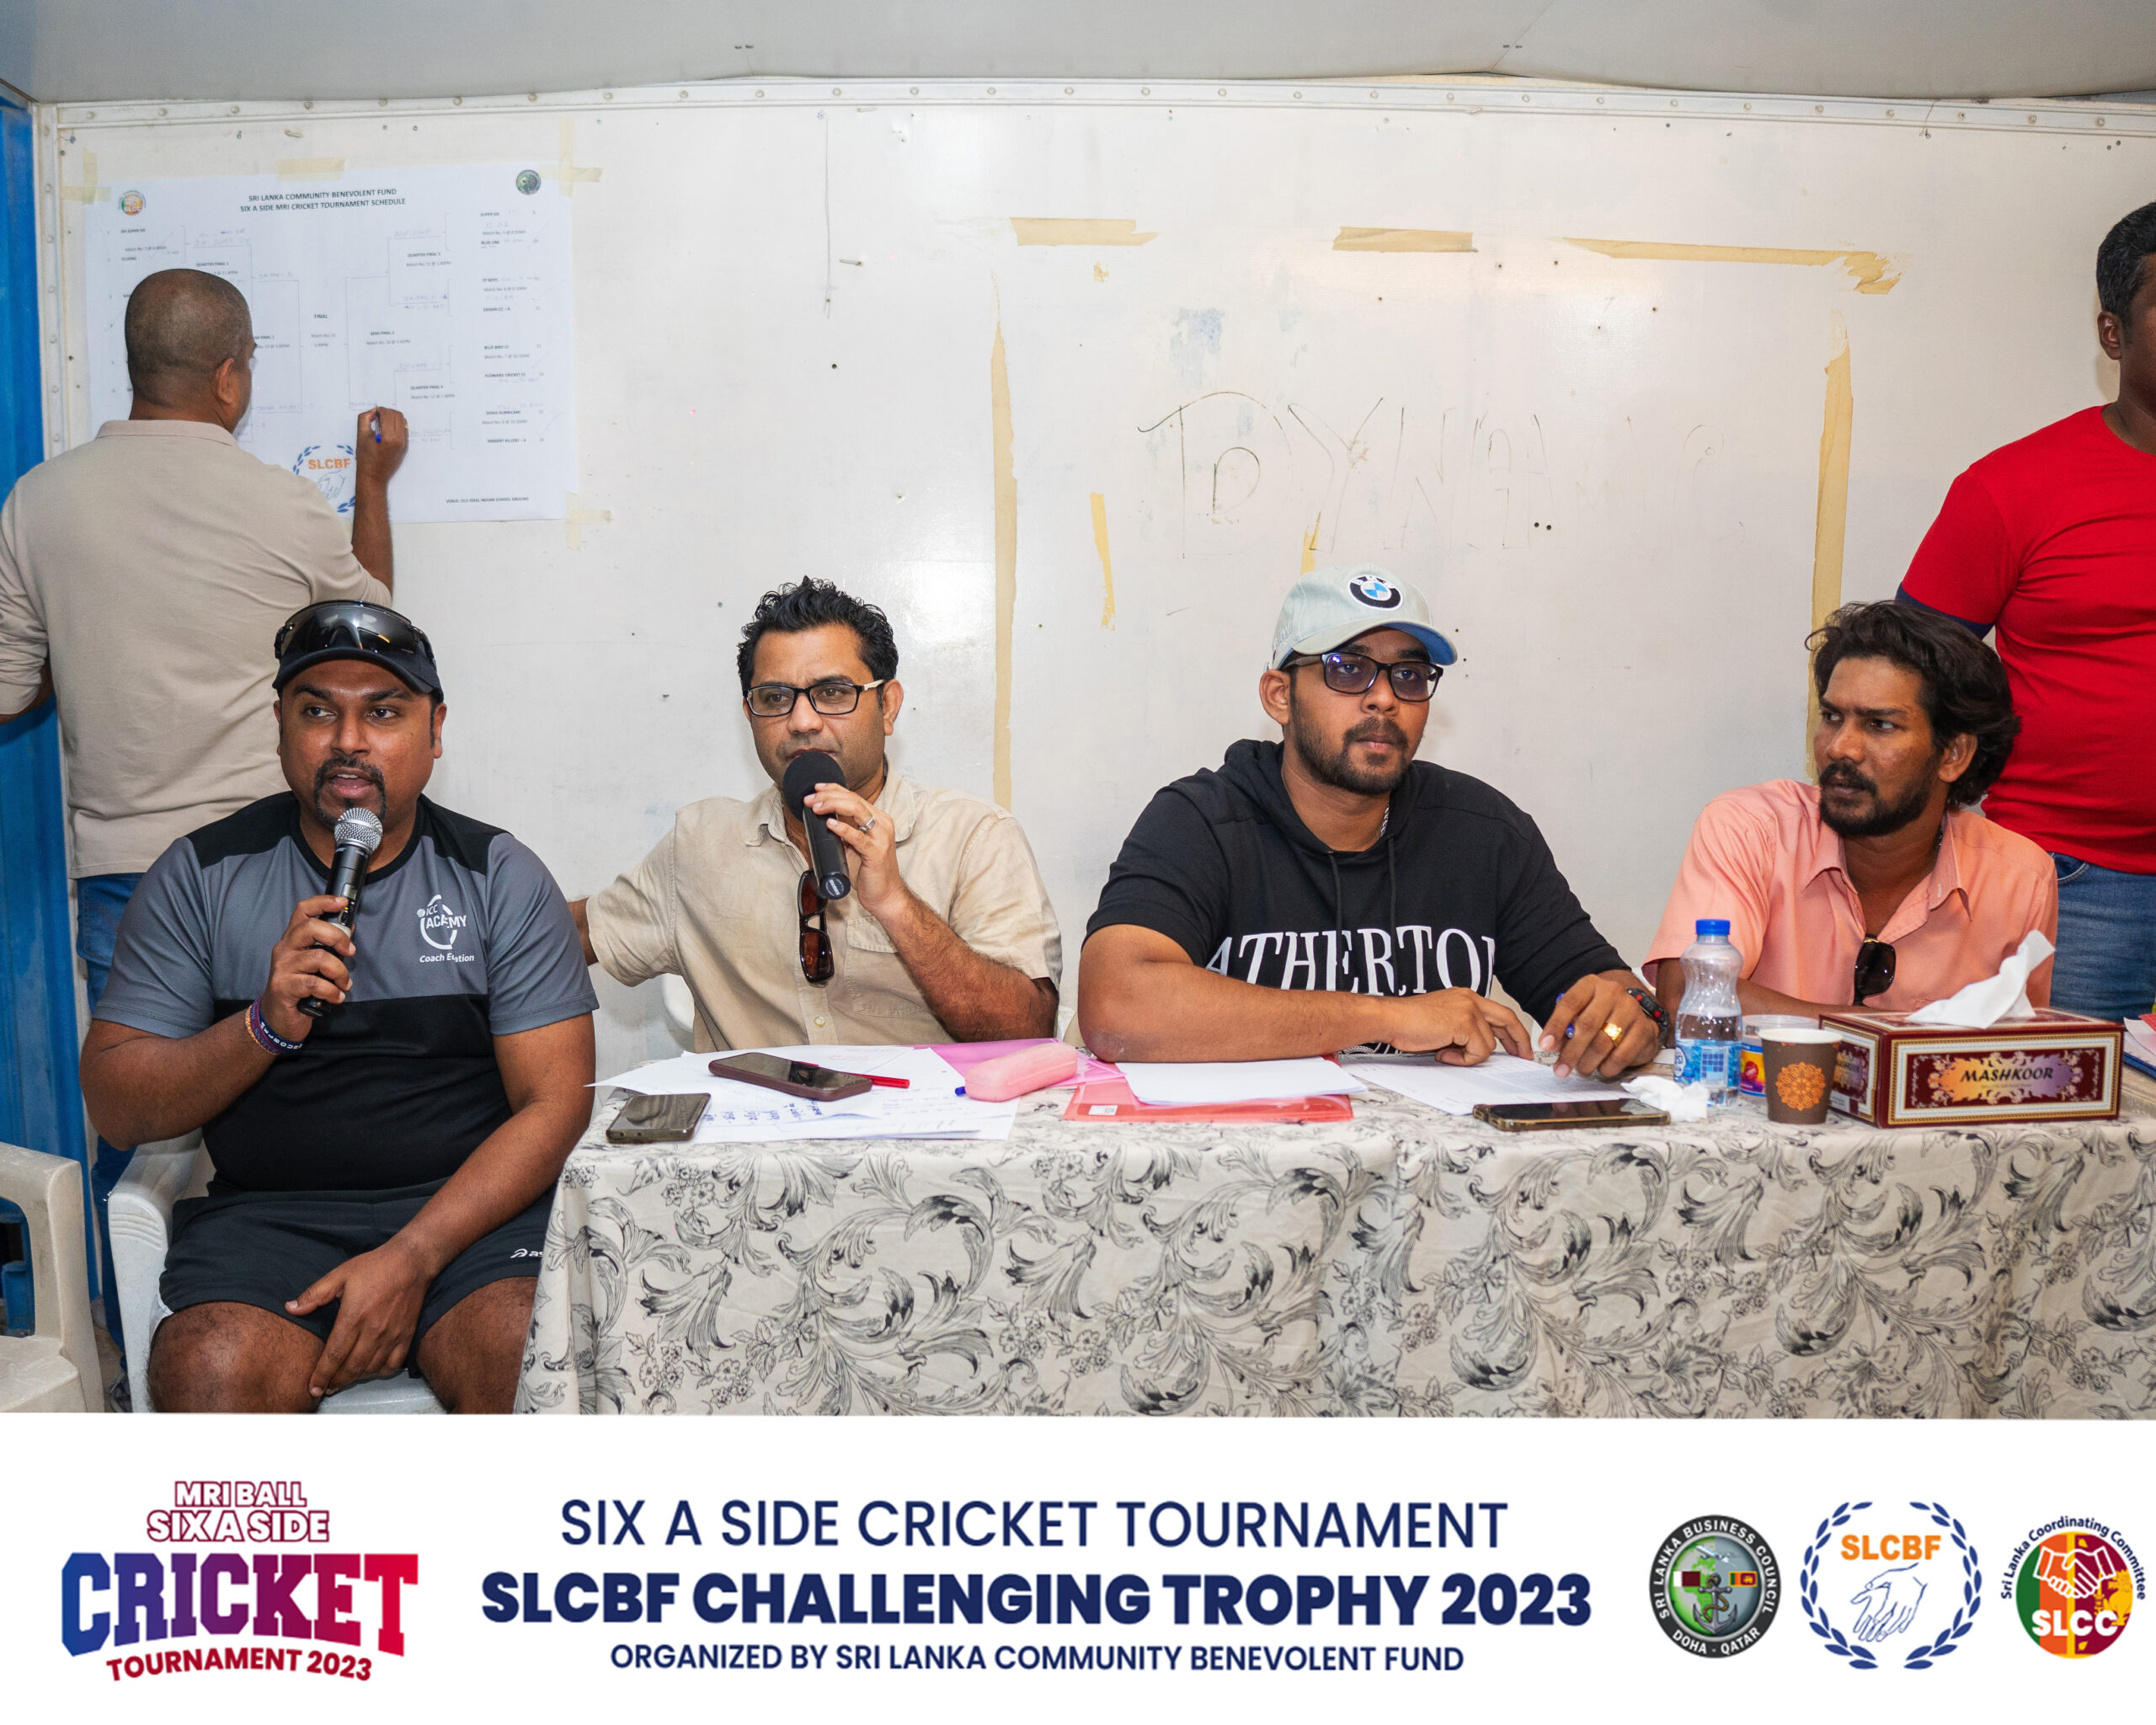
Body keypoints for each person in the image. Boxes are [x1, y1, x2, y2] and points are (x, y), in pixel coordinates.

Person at [0, 267, 409, 1391]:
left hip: (128, 877)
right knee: (307, 1107)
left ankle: (144, 1365)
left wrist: (96, 644)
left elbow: (9, 687)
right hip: (268, 866)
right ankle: (310, 1331)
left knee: (141, 1116)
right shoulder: (280, 503)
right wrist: (373, 483)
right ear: (231, 376)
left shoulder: (40, 501)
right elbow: (369, 630)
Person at [77, 602, 595, 1413]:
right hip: (271, 1222)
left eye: (383, 713)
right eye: (318, 711)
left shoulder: (501, 875)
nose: (348, 740)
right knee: (210, 1368)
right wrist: (262, 1026)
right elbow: (118, 1106)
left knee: (525, 1355)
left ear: (435, 730)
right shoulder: (199, 876)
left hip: (472, 1220)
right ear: (280, 727)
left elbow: (556, 1103)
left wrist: (414, 1255)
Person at [1078, 566, 1661, 1074]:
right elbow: (1115, 1007)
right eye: (1348, 668)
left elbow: (1614, 995)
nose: (1384, 699)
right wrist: (1387, 1017)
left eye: (1408, 676)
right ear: (1279, 695)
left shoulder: (1482, 831)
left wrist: (1626, 1022)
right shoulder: (1202, 821)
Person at [575, 578, 1061, 1048]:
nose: (802, 722)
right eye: (775, 698)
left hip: (924, 1107)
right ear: (749, 715)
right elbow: (564, 936)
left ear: (888, 707)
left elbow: (1027, 1031)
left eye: (832, 693)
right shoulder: (700, 844)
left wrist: (897, 905)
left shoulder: (974, 837)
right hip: (758, 1107)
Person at [1897, 200, 2156, 1022]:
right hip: (2074, 882)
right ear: (2113, 333)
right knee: (2075, 1099)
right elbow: (1909, 673)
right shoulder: (2013, 488)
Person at [1646, 601, 2054, 1019]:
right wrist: (1898, 1037)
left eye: (1880, 725)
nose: (1840, 747)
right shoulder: (1751, 828)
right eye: (1832, 716)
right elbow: (1689, 995)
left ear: (1953, 754)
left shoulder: (2019, 878)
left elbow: (2021, 1045)